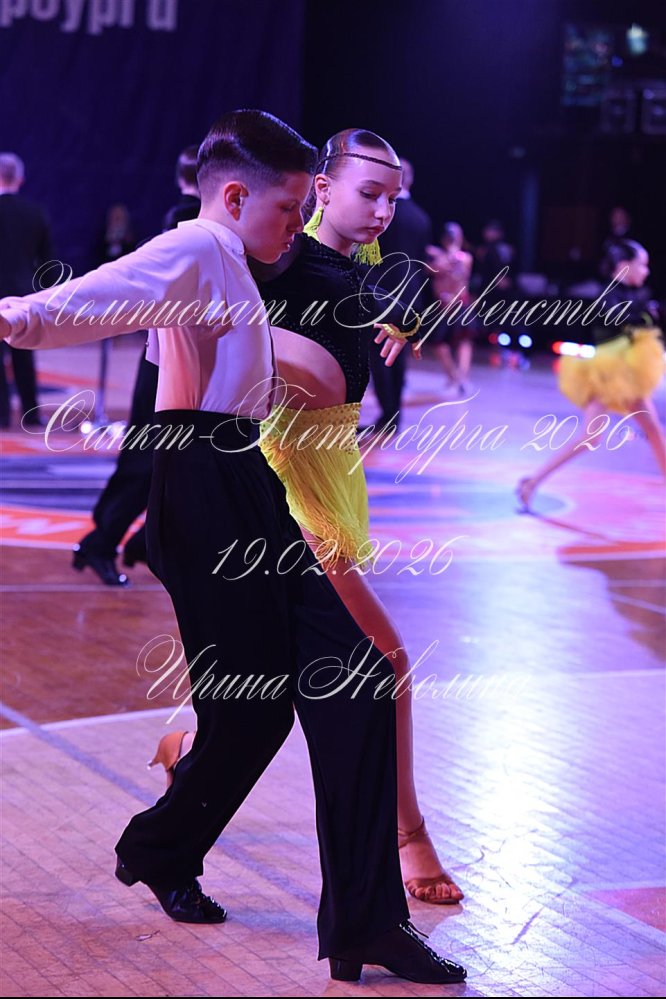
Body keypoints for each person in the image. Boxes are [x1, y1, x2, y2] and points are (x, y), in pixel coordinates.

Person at [0, 110, 465, 985]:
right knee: (281, 700)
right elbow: (86, 299)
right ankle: (178, 851)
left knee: (329, 688)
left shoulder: (237, 260)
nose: (298, 225)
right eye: (289, 209)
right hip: (202, 486)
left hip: (238, 475)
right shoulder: (199, 246)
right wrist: (16, 315)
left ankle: (350, 915)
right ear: (238, 197)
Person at [152, 129, 465, 908]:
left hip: (332, 471)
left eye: (394, 197)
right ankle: (409, 836)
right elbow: (205, 324)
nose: (385, 210)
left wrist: (400, 320)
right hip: (290, 482)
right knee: (381, 661)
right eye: (369, 194)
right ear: (321, 191)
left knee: (281, 681)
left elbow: (374, 301)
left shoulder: (356, 261)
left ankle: (189, 754)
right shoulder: (277, 258)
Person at [72, 146, 201, 586]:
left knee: (179, 462)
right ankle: (102, 542)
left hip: (171, 362)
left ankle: (143, 541)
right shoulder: (191, 225)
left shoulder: (177, 222)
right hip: (173, 364)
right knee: (150, 459)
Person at [516, 239, 665, 511]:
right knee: (600, 436)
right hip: (609, 374)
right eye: (642, 265)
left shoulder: (634, 295)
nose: (646, 271)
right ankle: (532, 482)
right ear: (624, 266)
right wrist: (645, 313)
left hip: (626, 373)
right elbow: (619, 318)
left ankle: (532, 482)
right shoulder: (609, 295)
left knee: (636, 433)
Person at [367, 157, 433, 431]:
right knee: (398, 355)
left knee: (379, 355)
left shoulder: (381, 213)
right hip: (412, 295)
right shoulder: (421, 217)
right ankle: (394, 415)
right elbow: (422, 261)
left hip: (382, 292)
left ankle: (387, 415)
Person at [0, 152, 54, 429]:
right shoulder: (35, 213)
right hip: (24, 295)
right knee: (24, 354)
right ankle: (31, 414)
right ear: (20, 179)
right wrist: (46, 294)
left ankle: (1, 415)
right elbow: (47, 262)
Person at [426, 222, 475, 396]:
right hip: (442, 306)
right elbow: (431, 269)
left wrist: (446, 256)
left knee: (463, 340)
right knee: (438, 342)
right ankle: (454, 377)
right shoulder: (437, 257)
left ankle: (462, 379)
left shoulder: (464, 258)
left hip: (460, 303)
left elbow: (460, 271)